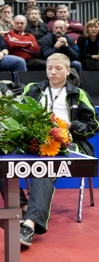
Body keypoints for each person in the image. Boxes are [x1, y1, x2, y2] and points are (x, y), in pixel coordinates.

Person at [16, 53, 99, 247]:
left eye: (58, 68)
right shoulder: (33, 89)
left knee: (44, 166)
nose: (53, 72)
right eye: (49, 68)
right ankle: (24, 204)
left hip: (65, 143)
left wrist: (69, 125)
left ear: (68, 71)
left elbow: (93, 124)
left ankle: (29, 224)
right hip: (34, 139)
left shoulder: (78, 94)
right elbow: (19, 113)